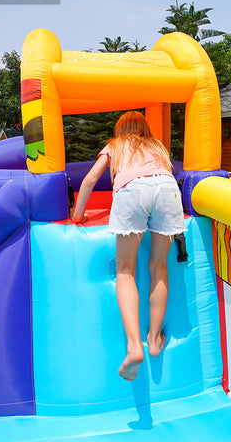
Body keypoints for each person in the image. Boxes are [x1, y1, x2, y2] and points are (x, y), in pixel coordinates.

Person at [71, 111, 186, 381]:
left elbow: (88, 180)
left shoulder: (116, 145)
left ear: (119, 129)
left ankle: (134, 346)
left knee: (125, 271)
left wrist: (77, 216)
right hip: (167, 189)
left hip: (133, 190)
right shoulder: (157, 146)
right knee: (159, 267)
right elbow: (165, 174)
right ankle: (155, 340)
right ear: (145, 128)